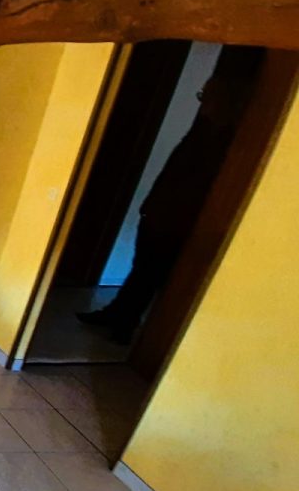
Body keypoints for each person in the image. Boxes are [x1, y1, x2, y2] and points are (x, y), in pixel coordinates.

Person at [78, 47, 263, 344]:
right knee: (142, 269)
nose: (202, 101)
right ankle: (118, 314)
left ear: (223, 101)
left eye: (206, 96)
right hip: (161, 213)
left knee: (151, 273)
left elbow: (192, 186)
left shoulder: (224, 143)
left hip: (174, 221)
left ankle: (126, 325)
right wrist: (150, 205)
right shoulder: (202, 132)